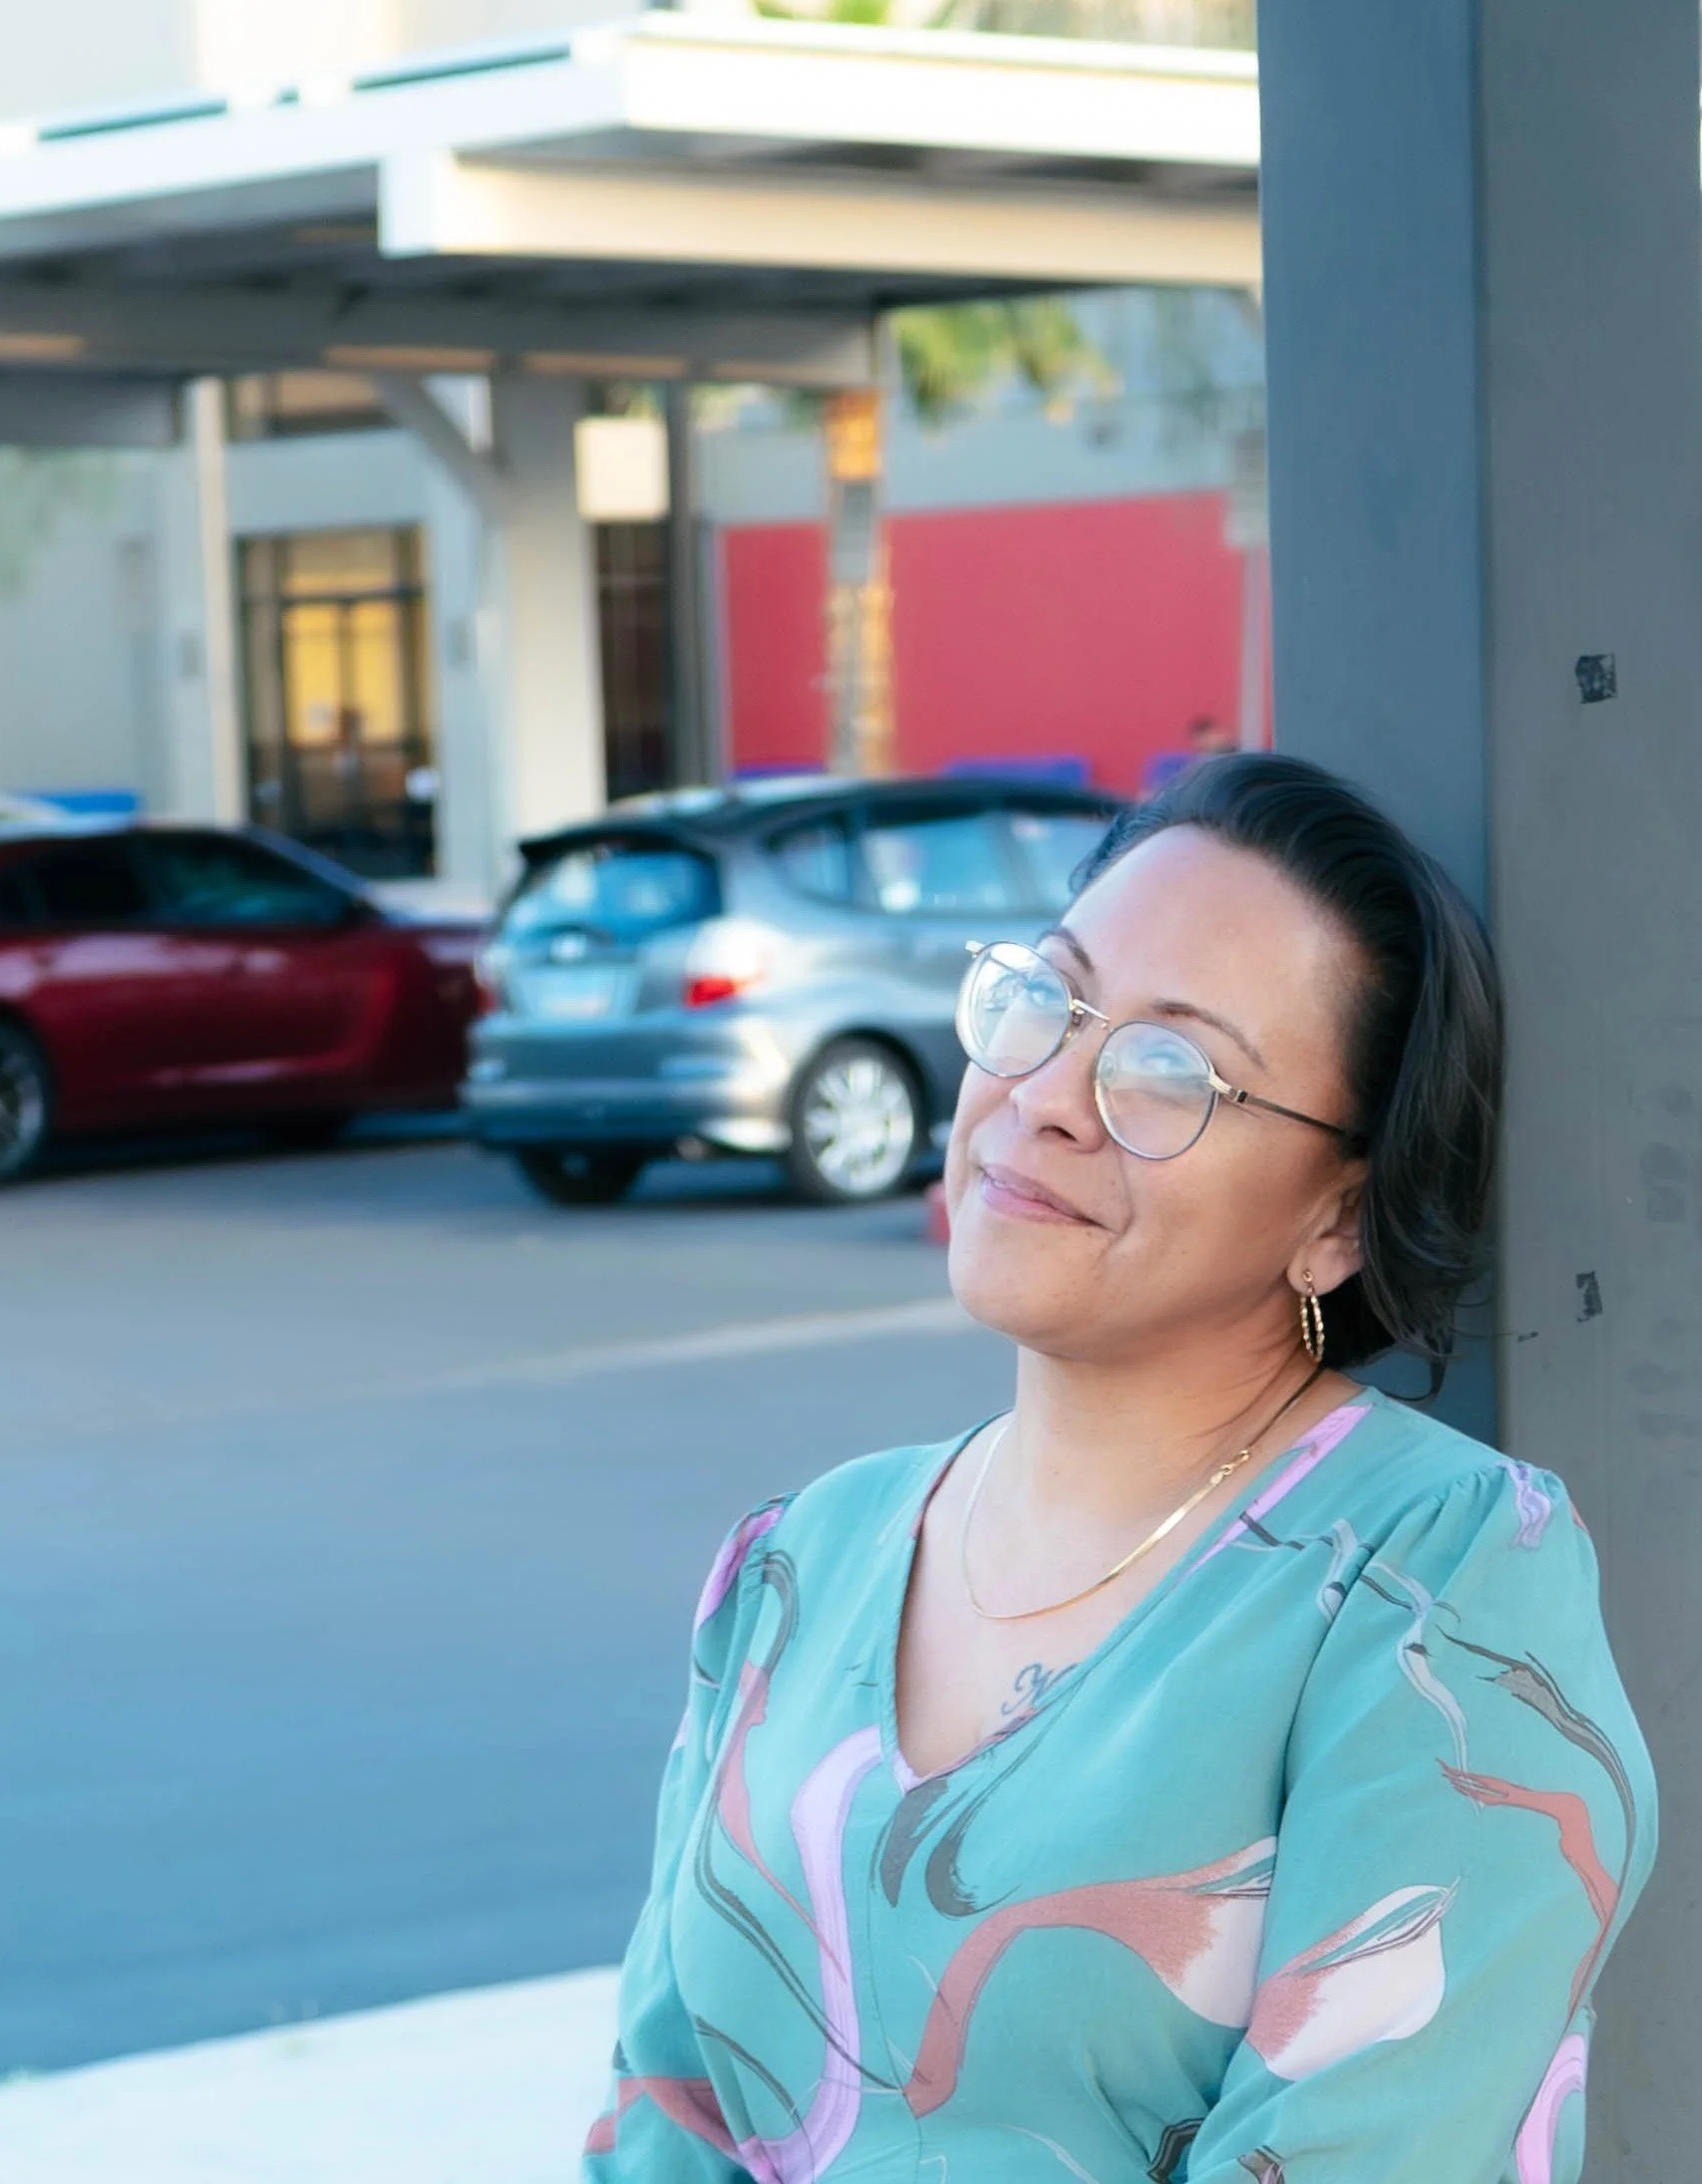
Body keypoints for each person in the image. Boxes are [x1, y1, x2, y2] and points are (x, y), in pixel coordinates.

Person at [583, 754, 1653, 2182]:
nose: (1049, 1094)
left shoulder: (1430, 1584)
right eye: (1046, 997)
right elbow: (665, 2125)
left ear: (1337, 1218)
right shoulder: (799, 1559)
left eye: (1173, 1069)